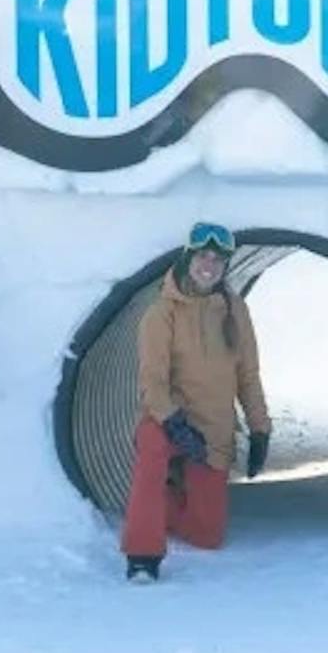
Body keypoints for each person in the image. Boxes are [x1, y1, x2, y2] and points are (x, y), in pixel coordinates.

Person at [120, 220, 272, 580]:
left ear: (226, 268)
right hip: (167, 420)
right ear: (188, 259)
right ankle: (142, 554)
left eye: (218, 260)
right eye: (202, 256)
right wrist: (174, 424)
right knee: (152, 449)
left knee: (207, 537)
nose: (209, 265)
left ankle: (169, 498)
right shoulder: (161, 313)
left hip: (213, 431)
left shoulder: (235, 312)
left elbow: (247, 376)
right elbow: (152, 382)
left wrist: (260, 429)